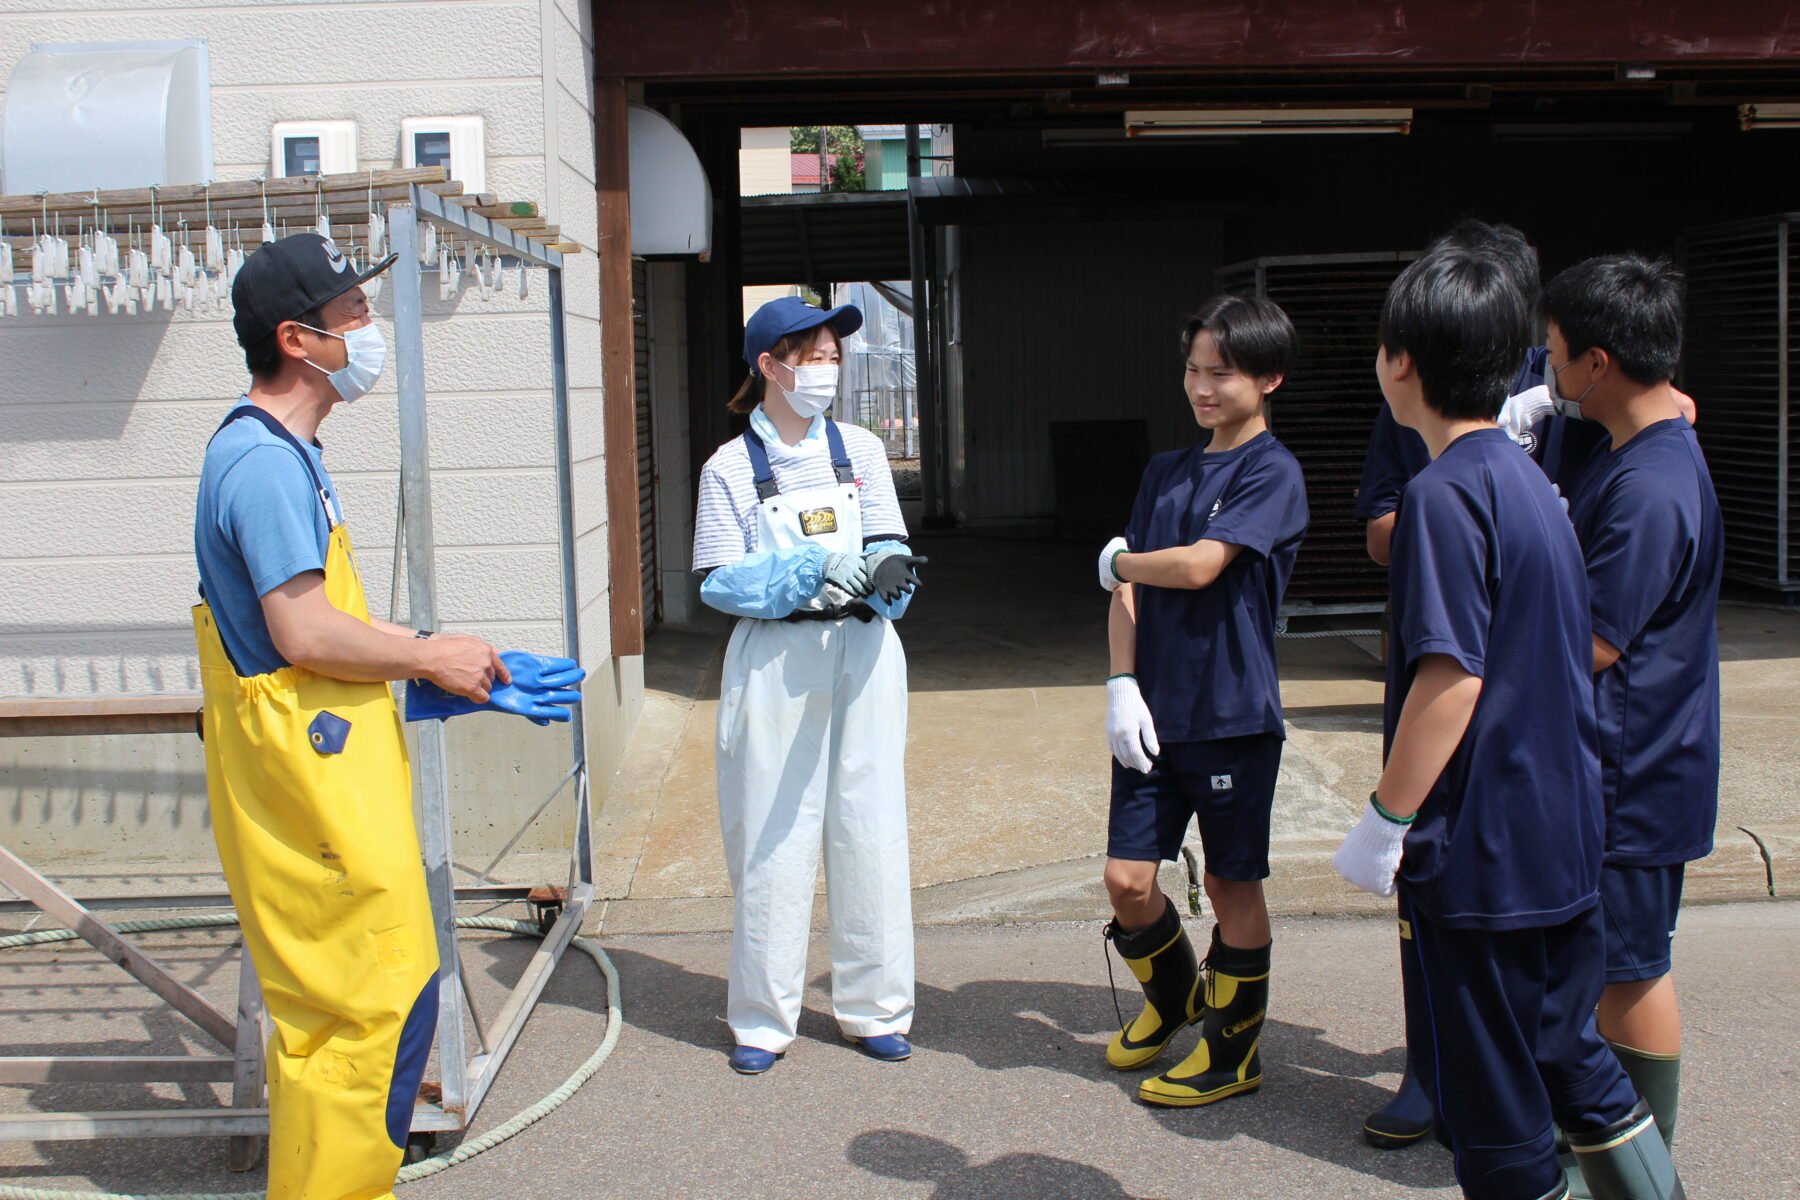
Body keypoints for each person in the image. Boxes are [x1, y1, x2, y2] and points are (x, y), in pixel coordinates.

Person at [1333, 245, 1682, 1200]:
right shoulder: (1532, 481)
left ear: (1401, 360)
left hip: (1482, 854)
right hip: (1561, 837)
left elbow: (1451, 676)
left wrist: (1386, 817)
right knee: (1571, 1059)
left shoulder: (1441, 495)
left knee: (1494, 1118)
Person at [195, 234, 509, 1200]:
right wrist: (422, 654)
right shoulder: (262, 466)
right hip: (317, 800)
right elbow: (299, 631)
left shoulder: (290, 452)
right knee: (362, 1017)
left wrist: (438, 660)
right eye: (353, 317)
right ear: (298, 339)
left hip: (332, 778)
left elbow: (311, 625)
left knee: (367, 1012)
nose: (369, 333)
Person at [692, 296, 928, 1076]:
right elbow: (718, 581)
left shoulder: (858, 450)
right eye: (812, 356)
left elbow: (891, 539)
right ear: (769, 365)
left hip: (863, 651)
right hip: (777, 661)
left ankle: (876, 1009)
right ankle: (762, 1019)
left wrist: (888, 579)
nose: (826, 370)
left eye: (833, 357)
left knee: (870, 828)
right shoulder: (729, 467)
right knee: (772, 832)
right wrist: (804, 571)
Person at [1093, 295, 1309, 1107]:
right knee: (1126, 879)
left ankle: (1232, 1053)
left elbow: (1194, 567)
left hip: (1230, 716)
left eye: (1221, 371)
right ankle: (1176, 996)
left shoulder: (1273, 472)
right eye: (1193, 368)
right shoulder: (1165, 471)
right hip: (1153, 715)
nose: (1201, 386)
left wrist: (1120, 562)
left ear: (1269, 377)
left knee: (1230, 885)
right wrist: (1121, 683)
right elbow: (1132, 591)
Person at [1545, 254, 1721, 1156]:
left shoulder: (1652, 483)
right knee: (1614, 968)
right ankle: (1611, 1149)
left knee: (1630, 972)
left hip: (1636, 768)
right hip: (1630, 760)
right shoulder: (1639, 451)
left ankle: (1639, 1159)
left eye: (1556, 353)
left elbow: (1596, 642)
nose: (1551, 369)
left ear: (1598, 365)